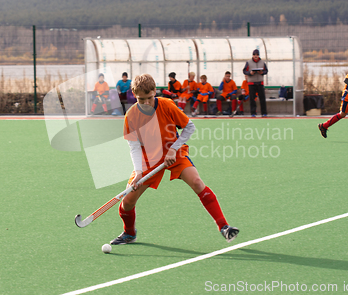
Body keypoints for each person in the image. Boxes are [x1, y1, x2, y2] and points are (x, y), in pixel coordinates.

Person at [110, 74, 239, 245]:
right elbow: (133, 146)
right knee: (127, 202)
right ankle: (129, 233)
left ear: (155, 92)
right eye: (142, 99)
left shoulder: (166, 105)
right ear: (134, 95)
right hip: (149, 160)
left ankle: (224, 226)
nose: (147, 103)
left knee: (197, 182)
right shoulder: (131, 115)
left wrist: (173, 149)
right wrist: (139, 172)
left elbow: (189, 127)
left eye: (149, 98)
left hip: (174, 153)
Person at [243, 49, 268, 117]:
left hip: (260, 82)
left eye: (256, 55)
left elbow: (266, 71)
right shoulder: (248, 62)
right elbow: (244, 71)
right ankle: (253, 113)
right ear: (252, 55)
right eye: (254, 55)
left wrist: (262, 72)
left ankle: (264, 113)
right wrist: (250, 73)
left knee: (262, 98)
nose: (255, 56)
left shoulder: (262, 62)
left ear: (258, 55)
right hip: (251, 83)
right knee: (252, 99)